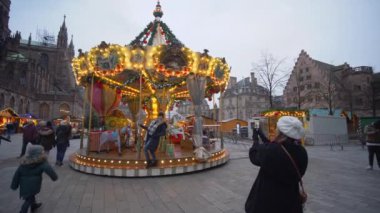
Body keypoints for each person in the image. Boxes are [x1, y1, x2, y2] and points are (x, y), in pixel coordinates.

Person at [245, 116, 308, 213]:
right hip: (291, 203)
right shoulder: (302, 152)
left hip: (268, 203)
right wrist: (262, 135)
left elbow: (254, 156)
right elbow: (277, 148)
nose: (275, 130)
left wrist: (255, 139)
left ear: (281, 132)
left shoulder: (271, 151)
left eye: (277, 128)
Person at [11, 144, 58, 213]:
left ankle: (34, 205)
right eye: (42, 151)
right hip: (34, 184)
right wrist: (54, 177)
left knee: (30, 196)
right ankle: (22, 211)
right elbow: (49, 170)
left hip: (24, 184)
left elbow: (17, 175)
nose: (43, 152)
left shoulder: (24, 162)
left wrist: (14, 185)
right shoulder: (42, 162)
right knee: (28, 199)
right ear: (38, 153)